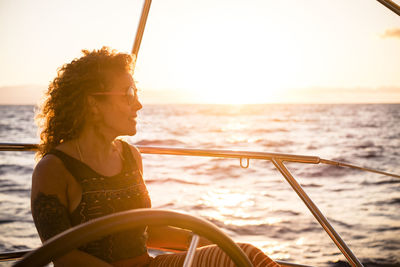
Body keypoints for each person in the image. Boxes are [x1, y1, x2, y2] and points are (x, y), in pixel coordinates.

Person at [32, 47, 280, 267]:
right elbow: (62, 256)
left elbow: (145, 230)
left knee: (246, 257)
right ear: (93, 104)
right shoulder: (54, 169)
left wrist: (205, 242)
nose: (138, 105)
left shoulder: (130, 156)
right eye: (128, 94)